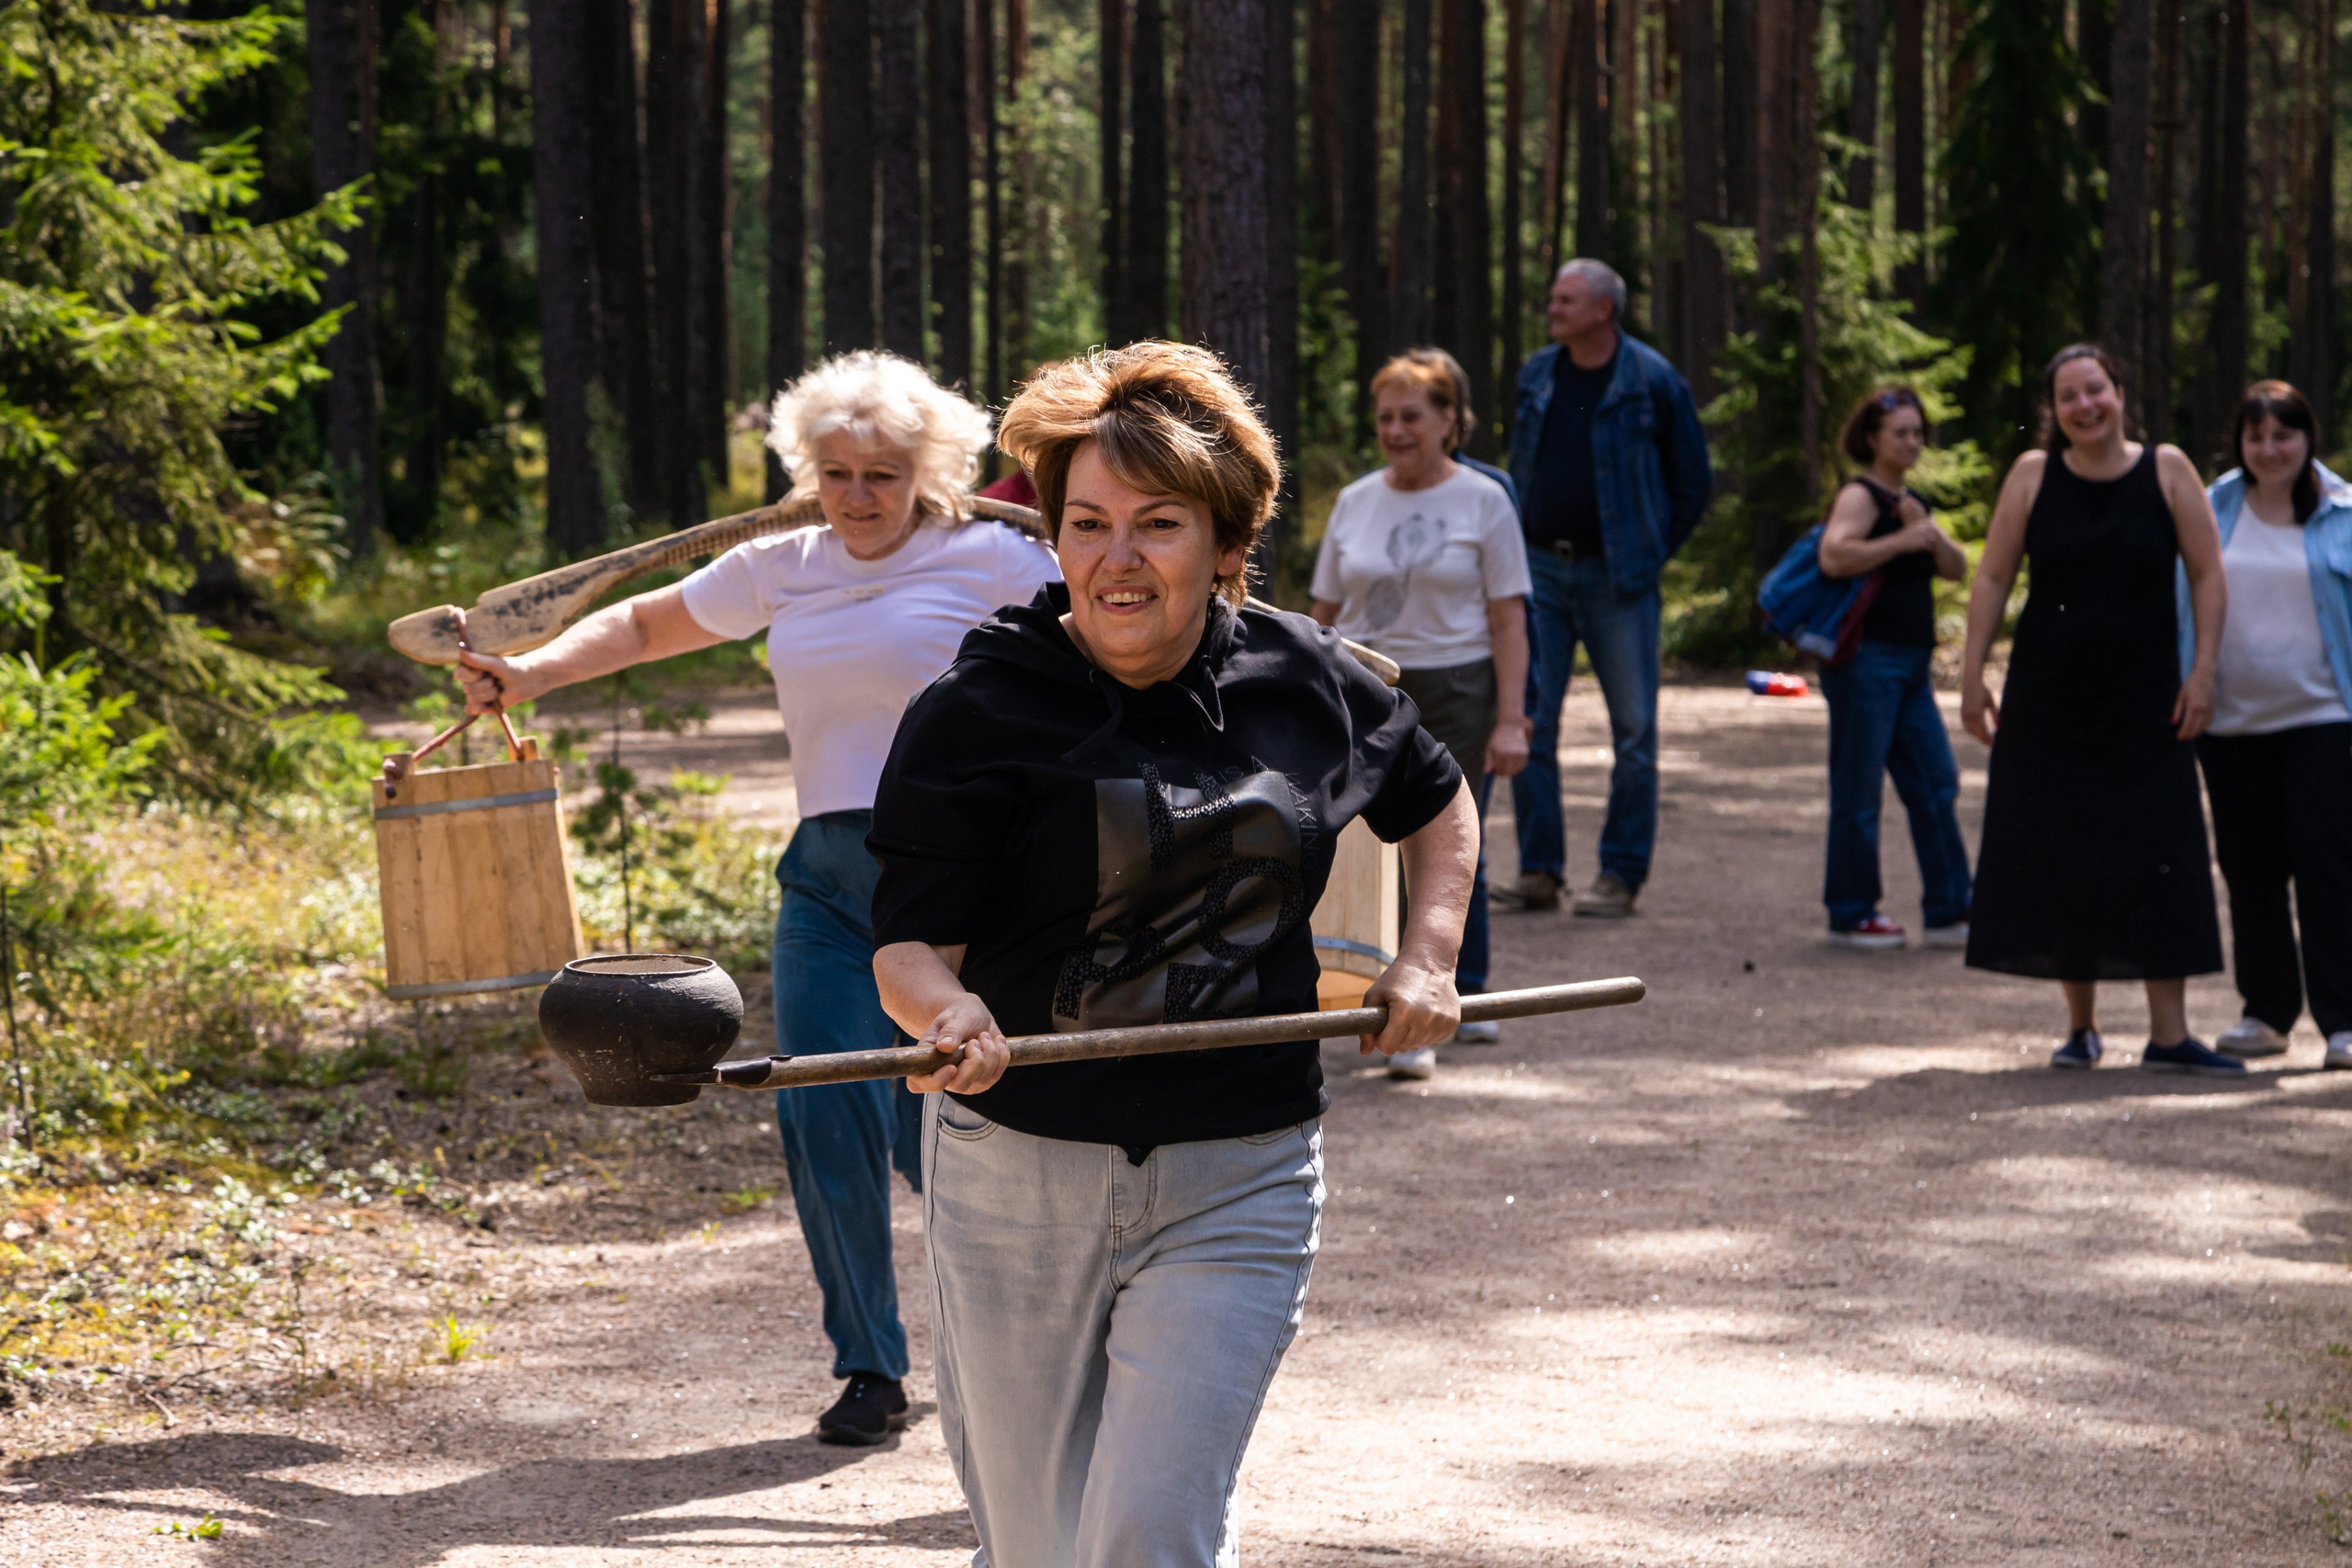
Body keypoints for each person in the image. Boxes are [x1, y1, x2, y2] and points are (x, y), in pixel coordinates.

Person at [865, 341, 1477, 1566]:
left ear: (1225, 544)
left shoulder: (1301, 676)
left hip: (1238, 1171)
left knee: (1149, 1534)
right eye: (1087, 523)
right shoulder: (979, 706)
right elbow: (910, 948)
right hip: (1015, 1174)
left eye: (1157, 524)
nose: (1116, 556)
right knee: (1042, 1547)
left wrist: (1431, 954)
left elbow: (1437, 797)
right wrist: (947, 1014)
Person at [448, 350, 1060, 1441]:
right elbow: (642, 627)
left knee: (954, 1129)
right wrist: (529, 672)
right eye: (836, 473)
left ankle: (1033, 1354)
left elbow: (1113, 630)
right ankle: (871, 1366)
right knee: (823, 1109)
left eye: (881, 473)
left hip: (960, 887)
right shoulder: (784, 564)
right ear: (805, 473)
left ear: (927, 469)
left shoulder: (994, 559)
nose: (859, 495)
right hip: (827, 879)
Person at [1960, 344, 2235, 1075]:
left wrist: (2204, 670)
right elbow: (1991, 576)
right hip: (2048, 702)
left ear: (2120, 391)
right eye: (2067, 397)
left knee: (2162, 853)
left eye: (2095, 390)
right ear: (2053, 411)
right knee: (2062, 854)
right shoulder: (2032, 475)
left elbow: (2209, 575)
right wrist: (1970, 673)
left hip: (2150, 698)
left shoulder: (2169, 470)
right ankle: (2080, 1028)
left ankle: (2169, 1034)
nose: (2084, 407)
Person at [1311, 348, 1532, 1076]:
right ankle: (1379, 991)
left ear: (1449, 420)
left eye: (1412, 415)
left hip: (1458, 687)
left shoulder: (1483, 500)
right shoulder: (1355, 500)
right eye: (1385, 417)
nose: (1397, 430)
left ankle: (1452, 992)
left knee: (1445, 833)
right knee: (1365, 842)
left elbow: (1508, 618)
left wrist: (1511, 717)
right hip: (1365, 684)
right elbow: (1323, 611)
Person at [1495, 258, 1713, 918]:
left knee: (1635, 730)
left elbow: (1692, 483)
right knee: (1531, 719)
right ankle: (1540, 871)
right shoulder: (1538, 372)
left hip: (1620, 578)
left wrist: (1645, 554)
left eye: (1565, 300)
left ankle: (1619, 876)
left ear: (1603, 311)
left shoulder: (1653, 380)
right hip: (1540, 573)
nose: (1552, 309)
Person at [2188, 381, 2352, 1071]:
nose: (2269, 449)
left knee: (2330, 864)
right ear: (2240, 443)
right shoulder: (2210, 505)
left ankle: (2344, 1020)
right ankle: (2266, 1011)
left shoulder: (2343, 512)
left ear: (2307, 437)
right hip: (2230, 723)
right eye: (2256, 437)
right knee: (2249, 870)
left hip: (2324, 715)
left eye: (2283, 435)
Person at [1815, 386, 1973, 949]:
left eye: (1917, 433)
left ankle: (1952, 909)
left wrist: (1928, 534)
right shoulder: (1860, 497)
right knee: (1859, 791)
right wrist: (1906, 536)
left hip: (1911, 665)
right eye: (1900, 432)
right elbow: (1834, 554)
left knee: (1935, 783)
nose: (1911, 442)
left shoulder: (1912, 502)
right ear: (1873, 438)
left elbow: (1955, 570)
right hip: (1865, 663)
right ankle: (1852, 912)